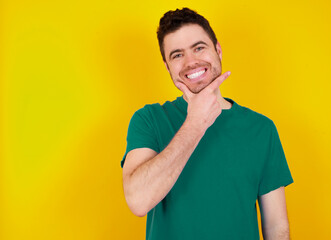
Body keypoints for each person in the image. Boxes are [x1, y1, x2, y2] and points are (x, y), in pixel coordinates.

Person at [121, 7, 293, 240]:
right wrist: (195, 124)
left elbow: (276, 226)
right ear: (167, 66)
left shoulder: (262, 129)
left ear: (218, 50)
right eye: (177, 55)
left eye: (199, 48)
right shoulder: (149, 119)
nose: (191, 62)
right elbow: (138, 201)